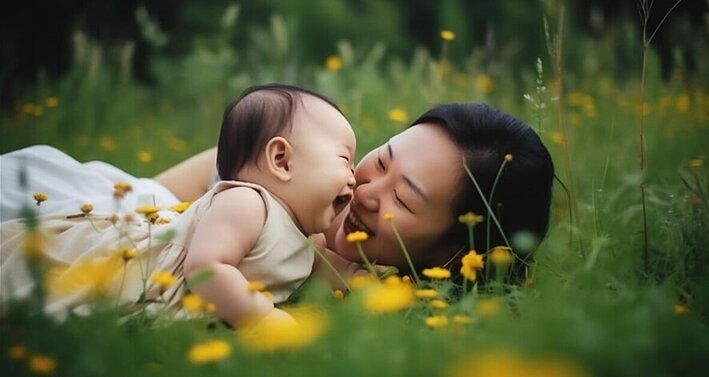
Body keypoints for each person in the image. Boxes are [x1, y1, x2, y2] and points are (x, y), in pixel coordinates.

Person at [0, 84, 357, 327]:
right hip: (128, 267)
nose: (353, 175)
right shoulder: (247, 203)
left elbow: (315, 270)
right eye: (344, 159)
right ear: (282, 160)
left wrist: (361, 276)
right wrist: (261, 319)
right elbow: (206, 267)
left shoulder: (299, 235)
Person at [158, 103, 555, 282]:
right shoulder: (264, 171)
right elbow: (137, 201)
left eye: (403, 199)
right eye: (382, 160)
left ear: (451, 253)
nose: (364, 191)